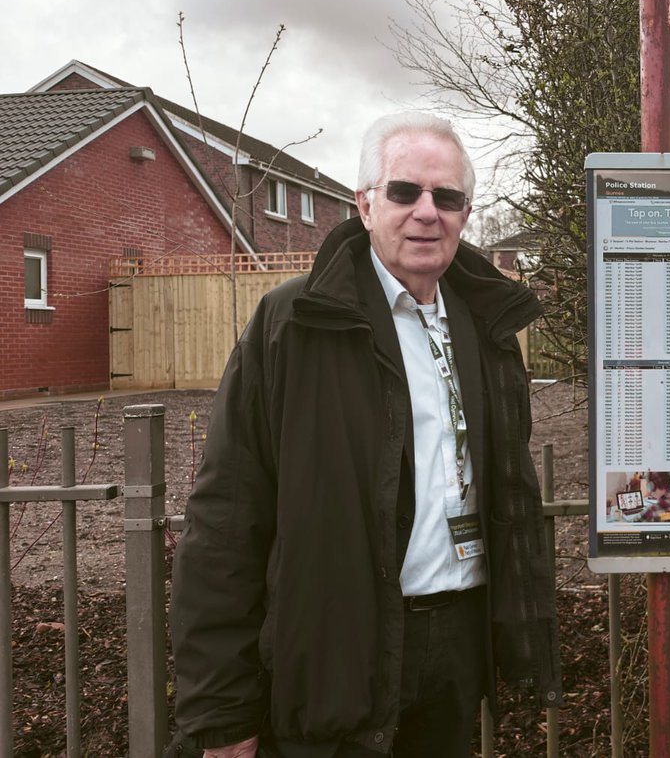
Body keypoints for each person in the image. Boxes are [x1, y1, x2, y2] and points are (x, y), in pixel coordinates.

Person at [168, 112, 560, 758]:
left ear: (466, 213)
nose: (427, 212)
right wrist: (221, 711)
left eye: (448, 197)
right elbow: (226, 522)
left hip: (456, 648)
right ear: (364, 203)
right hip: (339, 654)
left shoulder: (485, 332)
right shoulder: (294, 325)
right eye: (405, 191)